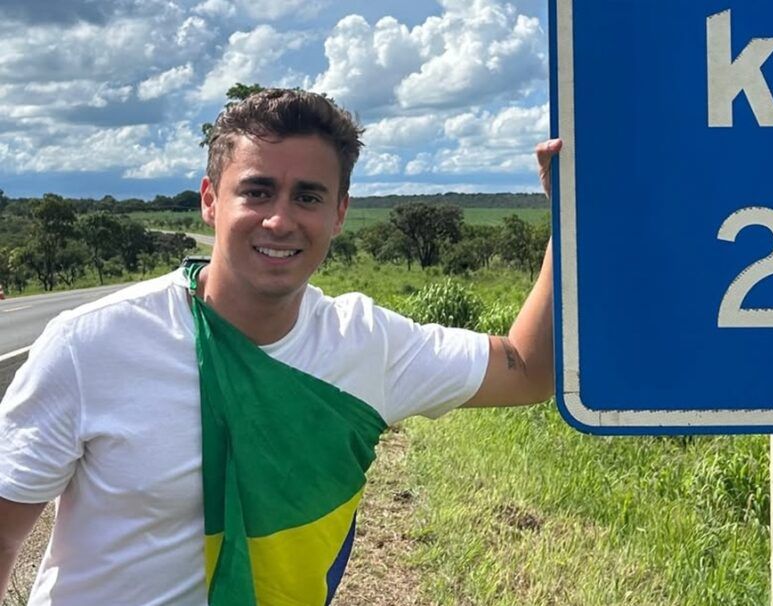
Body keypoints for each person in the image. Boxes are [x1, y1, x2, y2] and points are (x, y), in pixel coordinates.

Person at [0, 89, 562, 605]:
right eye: (257, 190)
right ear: (209, 201)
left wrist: (572, 217)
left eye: (308, 196)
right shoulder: (90, 345)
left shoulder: (367, 344)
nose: (279, 219)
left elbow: (528, 370)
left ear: (339, 212)